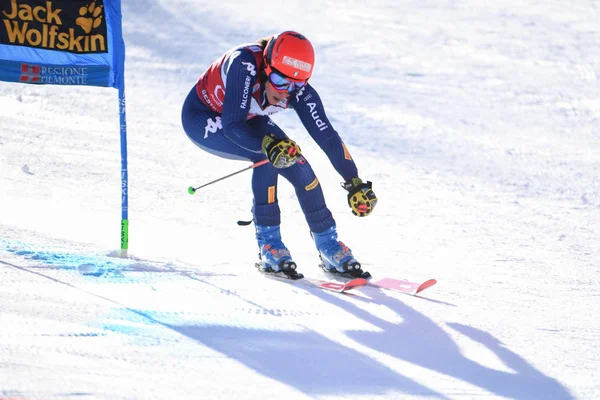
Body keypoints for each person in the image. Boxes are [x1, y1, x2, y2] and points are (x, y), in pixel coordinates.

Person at [181, 31, 377, 278]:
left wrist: (354, 181)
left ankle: (328, 244)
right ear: (266, 66)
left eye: (296, 86)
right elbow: (232, 124)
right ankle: (269, 244)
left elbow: (327, 136)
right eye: (280, 82)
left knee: (299, 165)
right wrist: (268, 145)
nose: (286, 92)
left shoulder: (295, 88)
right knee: (267, 157)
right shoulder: (244, 64)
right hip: (204, 118)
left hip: (246, 120)